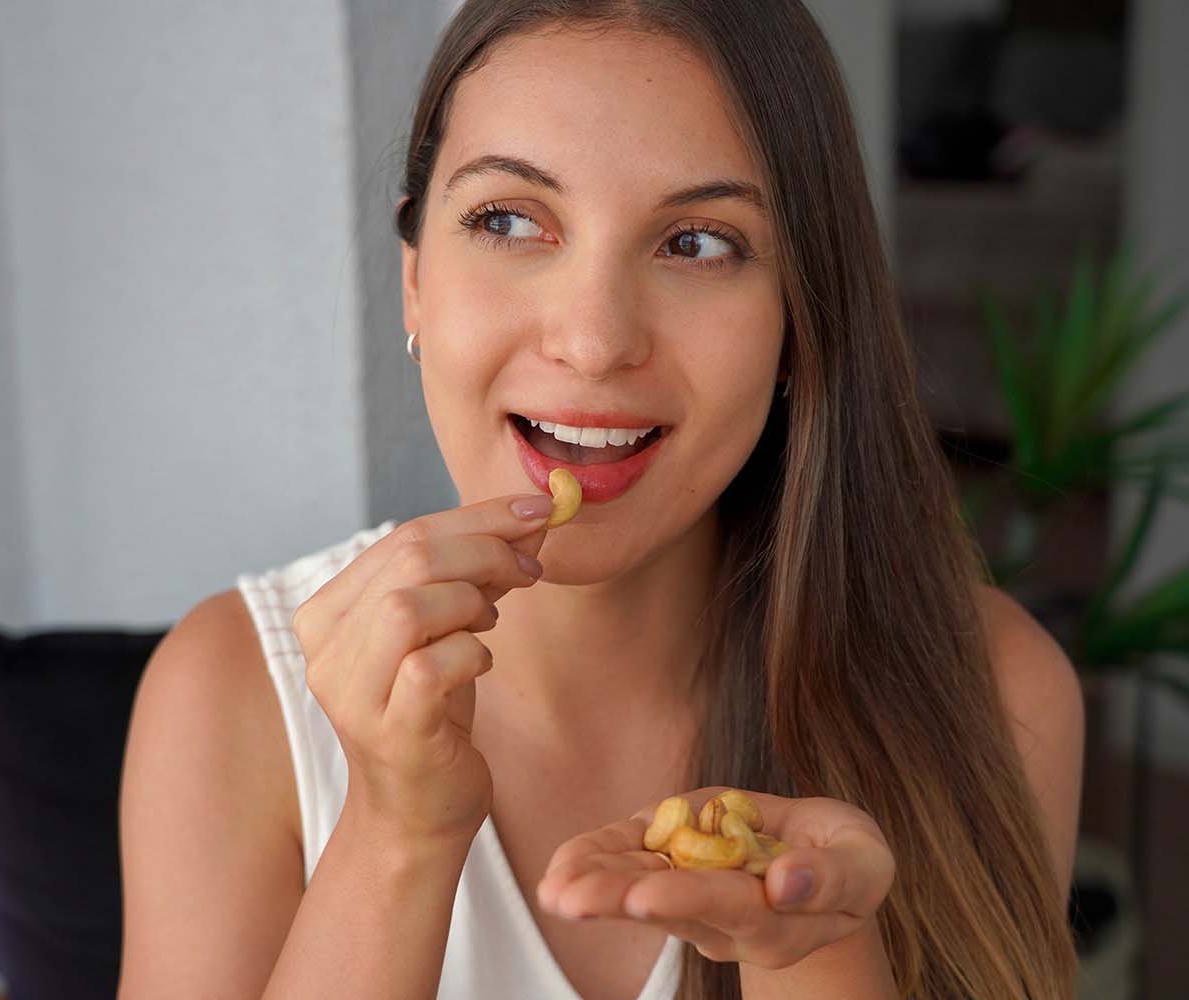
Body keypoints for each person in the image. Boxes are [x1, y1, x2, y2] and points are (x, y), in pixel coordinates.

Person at [117, 2, 1084, 997]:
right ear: (414, 282)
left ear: (800, 317)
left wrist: (812, 946)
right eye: (508, 220)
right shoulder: (232, 690)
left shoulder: (995, 690)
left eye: (699, 243)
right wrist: (397, 832)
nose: (594, 339)